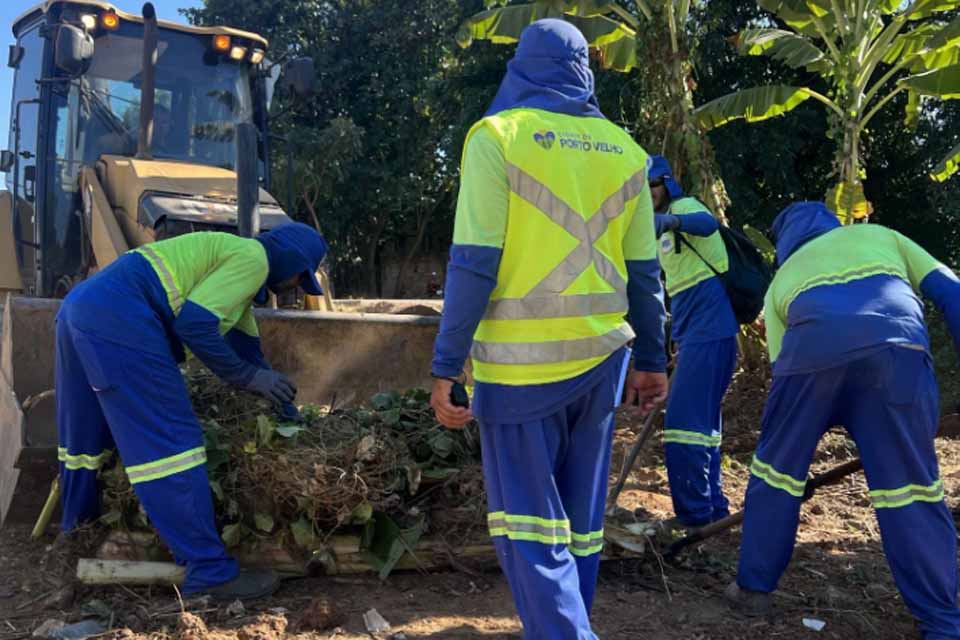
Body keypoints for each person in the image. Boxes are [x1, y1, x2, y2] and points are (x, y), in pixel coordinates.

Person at [429, 19, 667, 639]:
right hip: (602, 363)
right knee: (581, 523)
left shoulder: (496, 138)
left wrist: (446, 365)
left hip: (520, 367)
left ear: (520, 67)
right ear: (584, 71)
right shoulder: (627, 150)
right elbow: (645, 274)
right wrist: (654, 360)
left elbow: (473, 264)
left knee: (528, 528)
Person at [56, 222, 327, 600]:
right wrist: (248, 378)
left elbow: (250, 355)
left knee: (84, 440)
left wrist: (285, 407)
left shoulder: (234, 280)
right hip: (122, 316)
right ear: (290, 261)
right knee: (172, 443)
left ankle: (76, 532)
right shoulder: (253, 259)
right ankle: (210, 572)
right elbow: (196, 326)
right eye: (300, 277)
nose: (297, 286)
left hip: (80, 307)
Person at [726, 202, 960, 639]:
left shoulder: (784, 278)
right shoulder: (882, 236)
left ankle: (753, 589)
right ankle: (942, 622)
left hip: (808, 358)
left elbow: (784, 373)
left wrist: (810, 427)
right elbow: (951, 292)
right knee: (909, 488)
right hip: (897, 353)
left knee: (776, 473)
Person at [648, 156, 738, 528]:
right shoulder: (655, 235)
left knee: (683, 425)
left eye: (651, 186)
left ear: (666, 185)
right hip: (695, 333)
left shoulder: (685, 208)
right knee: (701, 426)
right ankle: (712, 510)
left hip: (710, 328)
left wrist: (672, 220)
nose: (647, 196)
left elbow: (708, 223)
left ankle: (694, 515)